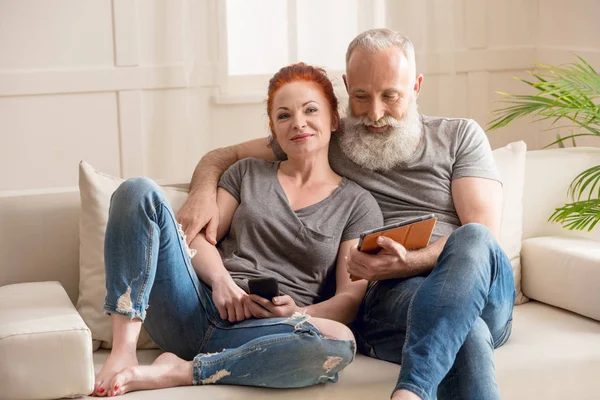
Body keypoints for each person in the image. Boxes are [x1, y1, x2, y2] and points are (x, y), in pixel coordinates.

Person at [177, 29, 516, 400]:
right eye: (361, 96)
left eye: (390, 96)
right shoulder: (329, 138)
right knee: (465, 332)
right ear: (345, 87)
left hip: (479, 289)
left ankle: (412, 391)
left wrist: (409, 262)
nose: (375, 113)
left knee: (473, 238)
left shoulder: (459, 137)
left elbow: (482, 232)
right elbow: (225, 155)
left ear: (416, 86)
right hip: (392, 302)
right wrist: (201, 193)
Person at [92, 62, 383, 397]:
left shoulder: (359, 205)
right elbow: (200, 236)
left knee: (340, 341)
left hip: (267, 332)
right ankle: (123, 351)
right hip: (192, 307)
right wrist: (222, 283)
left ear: (333, 119)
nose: (298, 122)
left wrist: (297, 312)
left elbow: (349, 298)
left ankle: (183, 371)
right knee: (137, 190)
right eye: (284, 115)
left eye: (310, 110)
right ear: (273, 129)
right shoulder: (246, 173)